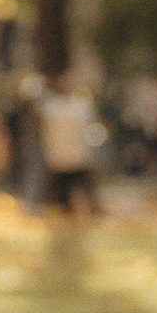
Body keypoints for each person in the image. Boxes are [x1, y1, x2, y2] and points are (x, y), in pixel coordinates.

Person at [35, 80, 103, 214]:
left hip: (70, 156)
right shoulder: (57, 107)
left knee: (77, 192)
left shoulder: (73, 107)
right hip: (66, 157)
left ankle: (83, 210)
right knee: (65, 195)